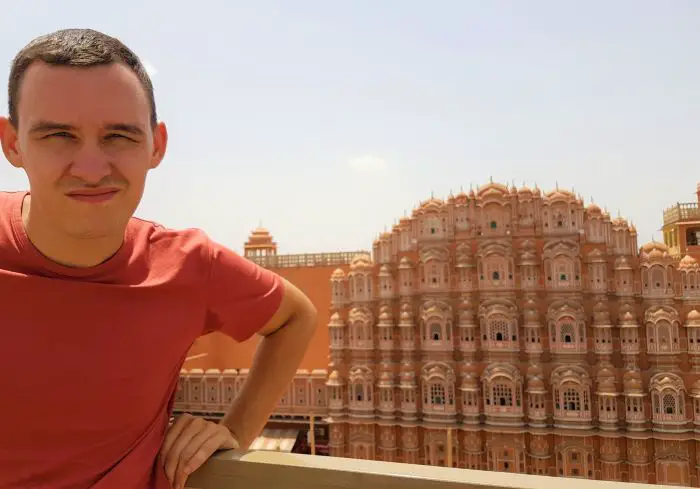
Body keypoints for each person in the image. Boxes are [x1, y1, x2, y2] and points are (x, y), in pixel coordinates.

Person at [0, 28, 318, 489]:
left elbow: (296, 316)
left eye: (119, 136)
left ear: (157, 145)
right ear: (11, 143)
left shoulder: (189, 265)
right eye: (58, 135)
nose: (91, 169)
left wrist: (233, 431)